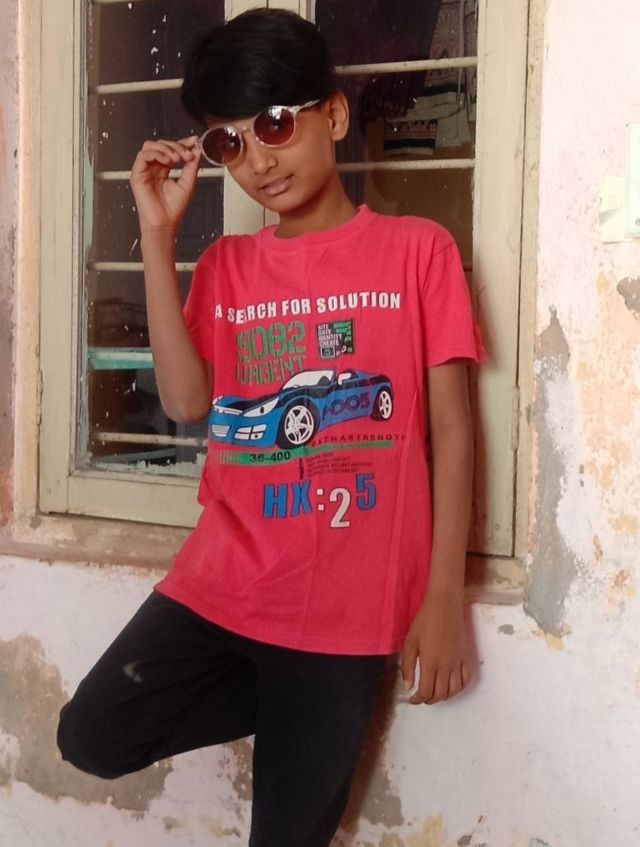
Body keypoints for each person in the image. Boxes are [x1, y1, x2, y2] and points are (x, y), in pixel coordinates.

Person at [57, 9, 488, 846]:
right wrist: (157, 235)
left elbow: (454, 429)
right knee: (92, 733)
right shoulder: (229, 266)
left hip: (346, 613)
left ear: (334, 114)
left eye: (276, 125)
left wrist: (442, 597)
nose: (258, 160)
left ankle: (319, 694)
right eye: (230, 143)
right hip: (224, 585)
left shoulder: (419, 252)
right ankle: (300, 697)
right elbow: (187, 400)